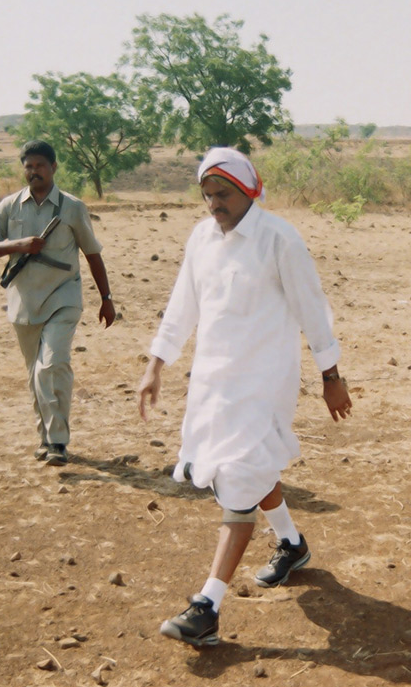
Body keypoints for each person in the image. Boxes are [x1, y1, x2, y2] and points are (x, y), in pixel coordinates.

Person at [138, 146, 352, 647]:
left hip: (263, 382)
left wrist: (330, 375)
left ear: (249, 189)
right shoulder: (201, 239)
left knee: (237, 473)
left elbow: (312, 310)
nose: (216, 204)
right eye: (208, 195)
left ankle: (207, 605)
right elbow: (181, 305)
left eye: (224, 194)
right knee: (241, 468)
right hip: (213, 383)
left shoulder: (280, 239)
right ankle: (292, 543)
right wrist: (155, 364)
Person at [0, 140, 116, 466]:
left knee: (50, 366)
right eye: (29, 166)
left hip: (63, 299)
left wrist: (106, 298)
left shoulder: (72, 208)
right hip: (24, 303)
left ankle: (58, 442)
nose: (34, 171)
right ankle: (46, 439)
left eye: (40, 165)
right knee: (34, 374)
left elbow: (92, 254)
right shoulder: (10, 206)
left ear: (53, 168)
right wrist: (19, 244)